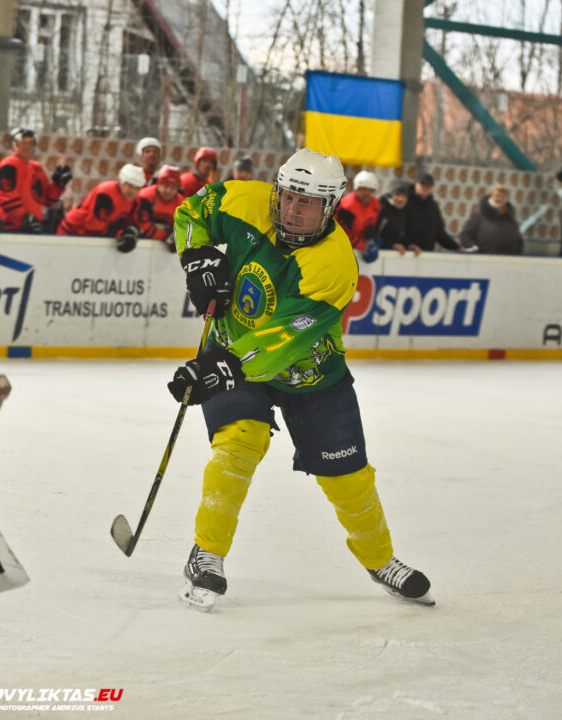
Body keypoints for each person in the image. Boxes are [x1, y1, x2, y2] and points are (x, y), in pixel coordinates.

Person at [166, 148, 433, 612]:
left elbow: (282, 340)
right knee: (238, 444)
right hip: (232, 343)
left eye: (306, 203)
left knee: (349, 478)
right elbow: (193, 210)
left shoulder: (334, 265)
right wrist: (199, 258)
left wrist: (220, 368)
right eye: (287, 197)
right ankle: (207, 554)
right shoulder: (246, 201)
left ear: (330, 207)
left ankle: (380, 560)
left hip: (308, 372)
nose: (291, 210)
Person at [0, 127, 71, 232]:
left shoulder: (35, 167)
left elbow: (46, 199)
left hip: (32, 226)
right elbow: (6, 196)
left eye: (31, 142)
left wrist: (58, 183)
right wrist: (24, 218)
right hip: (12, 228)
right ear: (14, 144)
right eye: (23, 142)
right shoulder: (9, 164)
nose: (27, 146)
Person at [56, 163, 145, 251]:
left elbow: (132, 222)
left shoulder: (135, 200)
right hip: (72, 232)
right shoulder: (106, 193)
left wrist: (132, 232)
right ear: (121, 182)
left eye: (137, 188)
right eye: (130, 186)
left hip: (91, 237)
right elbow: (93, 227)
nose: (132, 191)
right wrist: (120, 234)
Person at [459, 185, 524, 255]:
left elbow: (519, 240)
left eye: (503, 196)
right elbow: (465, 235)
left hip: (508, 258)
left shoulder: (510, 219)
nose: (500, 198)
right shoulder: (479, 216)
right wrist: (474, 248)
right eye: (497, 195)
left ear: (506, 199)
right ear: (491, 197)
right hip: (483, 258)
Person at [403, 173, 460, 252]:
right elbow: (397, 227)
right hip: (405, 252)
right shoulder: (404, 201)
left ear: (432, 188)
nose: (425, 187)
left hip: (427, 253)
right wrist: (407, 244)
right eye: (422, 184)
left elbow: (439, 232)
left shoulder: (433, 207)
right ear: (416, 184)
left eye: (428, 185)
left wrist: (457, 248)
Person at [133, 164, 183, 249]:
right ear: (158, 184)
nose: (169, 191)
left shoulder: (182, 203)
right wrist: (166, 236)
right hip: (140, 242)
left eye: (173, 187)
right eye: (166, 186)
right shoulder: (145, 196)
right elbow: (141, 225)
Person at [336, 170, 381, 258]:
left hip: (362, 247)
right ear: (357, 188)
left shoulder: (375, 204)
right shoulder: (346, 206)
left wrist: (372, 240)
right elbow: (341, 233)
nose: (366, 193)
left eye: (370, 190)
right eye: (363, 189)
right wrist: (363, 246)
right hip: (344, 248)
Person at [376, 180, 414, 255]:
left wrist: (409, 245)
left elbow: (402, 236)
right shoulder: (382, 209)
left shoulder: (404, 212)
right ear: (391, 195)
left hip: (396, 256)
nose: (401, 199)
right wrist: (391, 245)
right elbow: (374, 236)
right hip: (379, 254)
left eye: (404, 196)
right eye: (397, 195)